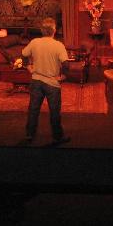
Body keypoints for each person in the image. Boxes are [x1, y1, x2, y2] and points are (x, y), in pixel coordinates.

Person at [22, 17, 71, 145]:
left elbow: (24, 54)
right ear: (54, 30)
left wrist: (28, 66)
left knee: (33, 109)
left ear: (42, 30)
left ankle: (29, 135)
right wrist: (63, 76)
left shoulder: (34, 42)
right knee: (54, 111)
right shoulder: (58, 45)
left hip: (36, 81)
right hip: (52, 83)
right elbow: (66, 64)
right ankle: (57, 137)